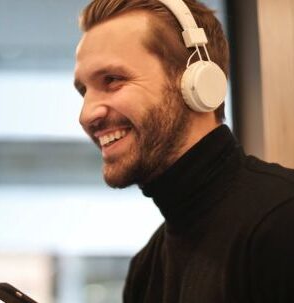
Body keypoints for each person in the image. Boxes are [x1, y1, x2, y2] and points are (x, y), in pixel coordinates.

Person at [73, 0, 294, 302]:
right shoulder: (146, 268)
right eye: (84, 91)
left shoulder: (282, 220)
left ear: (198, 82)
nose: (87, 115)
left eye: (112, 80)